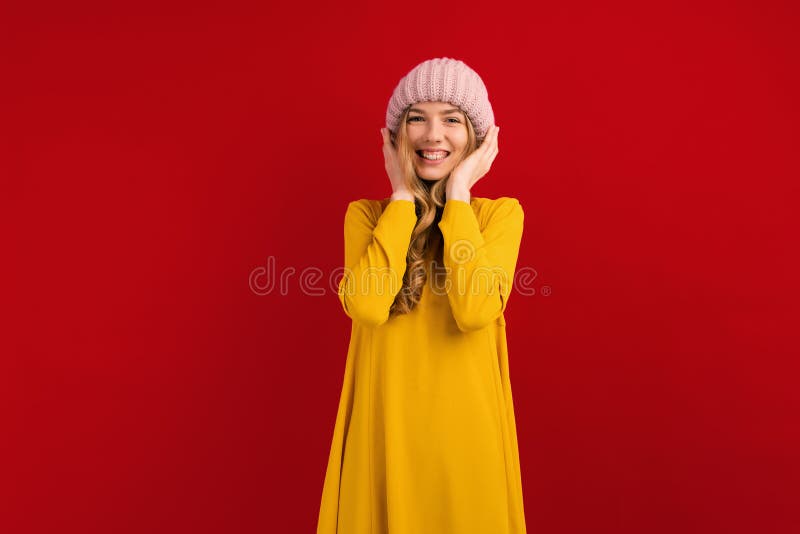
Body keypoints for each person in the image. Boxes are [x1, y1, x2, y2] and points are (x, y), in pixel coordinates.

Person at [317, 57, 527, 533]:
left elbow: (475, 312)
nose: (433, 134)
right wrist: (400, 199)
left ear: (478, 138)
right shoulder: (368, 217)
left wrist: (457, 193)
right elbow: (368, 307)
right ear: (396, 136)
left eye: (452, 119)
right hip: (384, 435)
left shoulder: (499, 217)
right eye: (417, 118)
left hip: (465, 442)